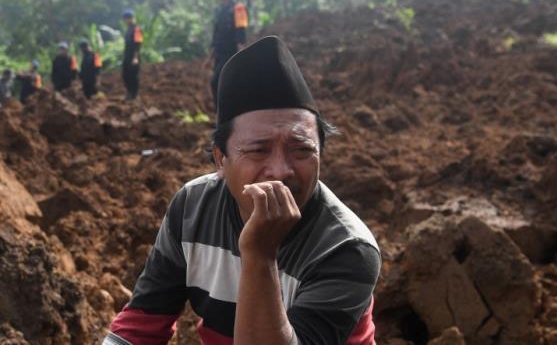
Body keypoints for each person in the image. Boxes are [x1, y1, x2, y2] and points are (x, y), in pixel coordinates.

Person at [102, 36, 380, 345]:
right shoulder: (193, 207)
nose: (281, 170)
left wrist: (260, 255)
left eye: (301, 150)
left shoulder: (344, 247)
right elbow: (141, 325)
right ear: (221, 160)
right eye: (259, 151)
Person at [209, 0, 248, 107]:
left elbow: (240, 32)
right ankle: (224, 118)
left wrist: (241, 54)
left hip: (231, 53)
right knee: (221, 85)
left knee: (216, 83)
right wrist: (211, 54)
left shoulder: (238, 8)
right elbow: (217, 32)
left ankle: (226, 118)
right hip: (220, 53)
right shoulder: (220, 10)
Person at [122, 9, 143, 100]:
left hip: (134, 55)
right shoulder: (128, 30)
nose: (126, 21)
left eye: (127, 19)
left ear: (131, 18)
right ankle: (129, 92)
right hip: (127, 55)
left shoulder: (136, 29)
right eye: (125, 19)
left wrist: (135, 57)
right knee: (125, 75)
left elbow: (138, 44)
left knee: (133, 75)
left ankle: (134, 94)